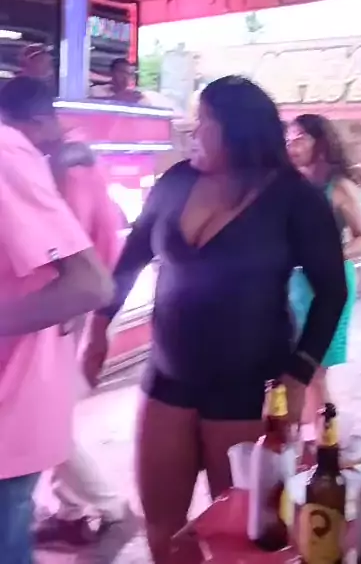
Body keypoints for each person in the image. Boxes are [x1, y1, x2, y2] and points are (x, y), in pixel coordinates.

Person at [82, 75, 347, 563]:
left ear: (237, 131)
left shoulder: (295, 199)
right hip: (168, 378)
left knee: (243, 534)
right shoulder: (177, 181)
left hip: (249, 386)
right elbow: (132, 257)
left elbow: (332, 292)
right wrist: (99, 326)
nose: (192, 131)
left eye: (203, 121)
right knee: (164, 527)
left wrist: (298, 374)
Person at [0, 76, 127, 549]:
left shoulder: (30, 157)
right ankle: (77, 505)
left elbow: (85, 276)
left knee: (53, 426)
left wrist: (85, 311)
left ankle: (102, 503)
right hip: (49, 329)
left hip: (42, 340)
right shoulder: (47, 157)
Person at [287, 114, 361, 420]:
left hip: (329, 286)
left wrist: (330, 257)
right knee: (297, 370)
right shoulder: (293, 184)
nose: (292, 147)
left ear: (320, 143)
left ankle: (323, 438)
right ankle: (308, 435)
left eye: (300, 139)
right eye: (288, 140)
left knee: (314, 371)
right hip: (295, 285)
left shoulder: (339, 187)